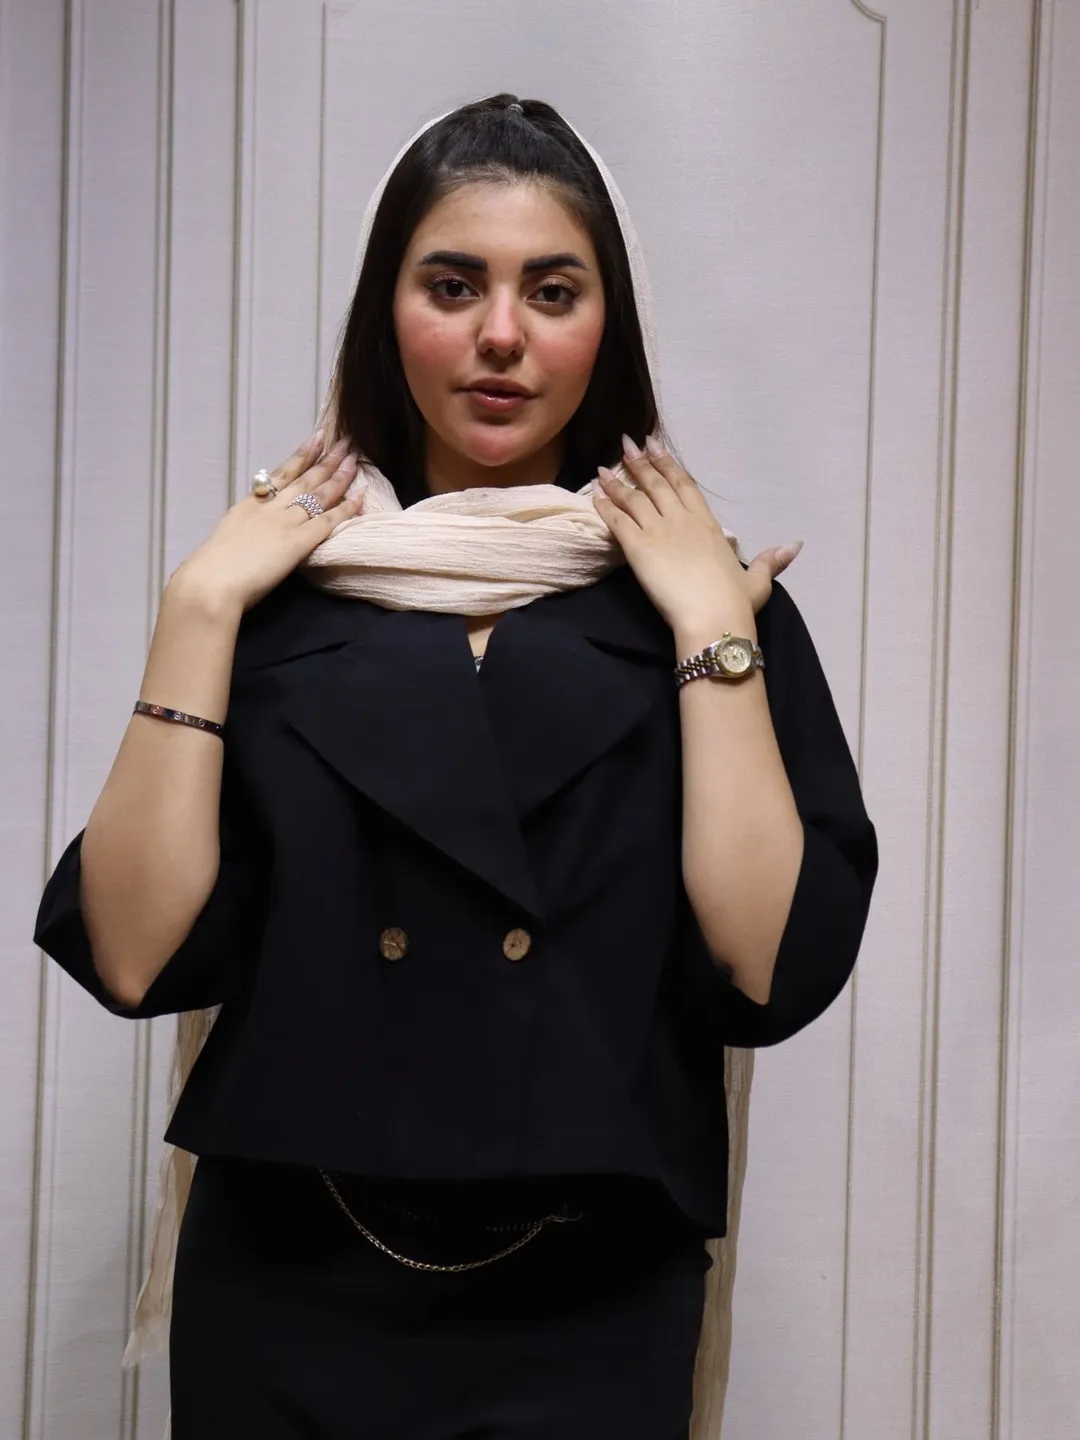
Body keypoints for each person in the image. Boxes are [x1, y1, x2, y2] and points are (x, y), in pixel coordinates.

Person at [33, 93, 878, 1440]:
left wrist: (713, 632)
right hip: (286, 1285)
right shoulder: (271, 605)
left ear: (609, 327)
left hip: (595, 1301)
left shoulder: (707, 613)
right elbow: (133, 955)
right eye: (452, 284)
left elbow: (769, 964)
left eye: (553, 290)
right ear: (387, 312)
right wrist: (197, 609)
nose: (500, 334)